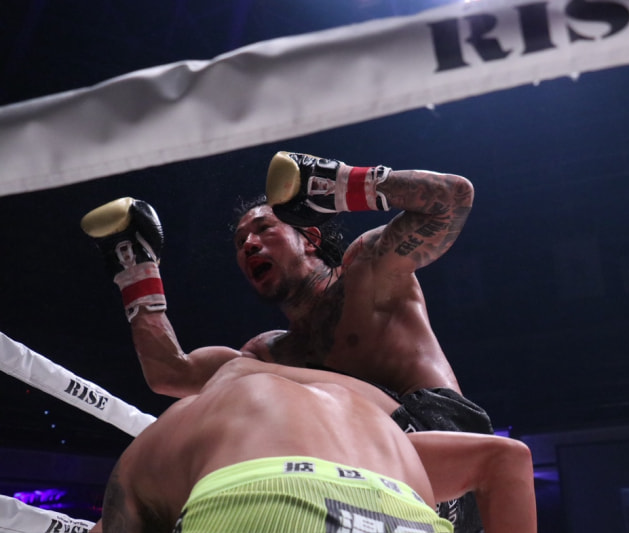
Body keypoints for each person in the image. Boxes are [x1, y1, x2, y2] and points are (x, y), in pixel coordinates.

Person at [82, 151, 493, 531]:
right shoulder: (270, 352)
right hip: (357, 475)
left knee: (242, 374)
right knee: (237, 387)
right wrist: (136, 272)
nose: (249, 244)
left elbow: (452, 198)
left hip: (443, 445)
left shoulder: (368, 273)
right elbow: (169, 372)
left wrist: (334, 185)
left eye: (264, 229)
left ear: (309, 237)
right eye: (240, 242)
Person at [88, 357, 537, 533]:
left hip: (261, 502)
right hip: (403, 506)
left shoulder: (195, 414)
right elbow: (508, 457)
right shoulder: (365, 419)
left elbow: (168, 370)